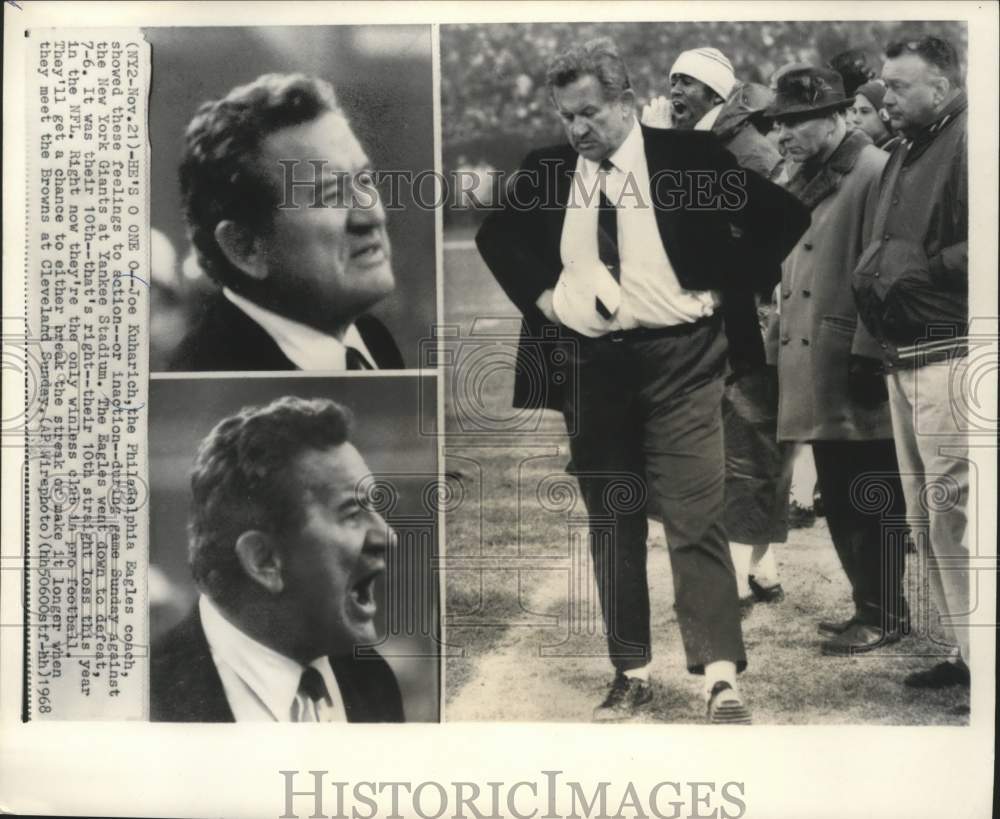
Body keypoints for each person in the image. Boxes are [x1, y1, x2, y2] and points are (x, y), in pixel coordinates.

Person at [476, 38, 808, 723]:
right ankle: (631, 671)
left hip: (683, 360)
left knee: (695, 514)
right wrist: (545, 299)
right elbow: (495, 238)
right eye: (568, 115)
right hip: (591, 370)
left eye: (590, 112)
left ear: (626, 102)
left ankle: (721, 677)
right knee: (614, 522)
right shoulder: (549, 170)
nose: (578, 129)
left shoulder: (687, 158)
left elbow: (784, 217)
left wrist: (727, 280)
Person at [766, 66, 909, 655]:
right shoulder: (803, 172)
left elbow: (887, 269)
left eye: (797, 121)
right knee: (841, 490)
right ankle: (869, 607)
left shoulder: (873, 169)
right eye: (779, 123)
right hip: (814, 356)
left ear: (838, 116)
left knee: (869, 493)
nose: (783, 134)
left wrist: (869, 354)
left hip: (851, 356)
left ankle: (883, 613)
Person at [151, 396, 404, 722]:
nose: (388, 536)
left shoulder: (373, 681)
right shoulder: (148, 697)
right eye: (352, 513)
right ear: (264, 561)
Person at [645, 71, 793, 607]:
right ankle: (762, 566)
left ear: (715, 94)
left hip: (741, 323)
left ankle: (736, 571)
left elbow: (764, 227)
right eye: (672, 81)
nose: (676, 91)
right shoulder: (718, 142)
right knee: (734, 445)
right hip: (727, 318)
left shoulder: (740, 150)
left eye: (688, 82)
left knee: (742, 446)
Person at [852, 36, 970, 691]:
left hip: (951, 353)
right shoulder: (907, 147)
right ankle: (967, 649)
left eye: (898, 85)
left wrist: (913, 271)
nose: (886, 96)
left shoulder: (971, 141)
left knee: (955, 508)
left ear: (943, 87)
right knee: (926, 516)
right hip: (906, 352)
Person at [168, 74, 403, 372]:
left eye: (365, 180)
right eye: (330, 195)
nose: (372, 215)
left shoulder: (372, 339)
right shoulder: (208, 371)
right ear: (245, 247)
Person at [849, 80, 899, 149]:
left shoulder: (898, 152)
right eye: (854, 111)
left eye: (864, 111)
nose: (855, 119)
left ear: (884, 115)